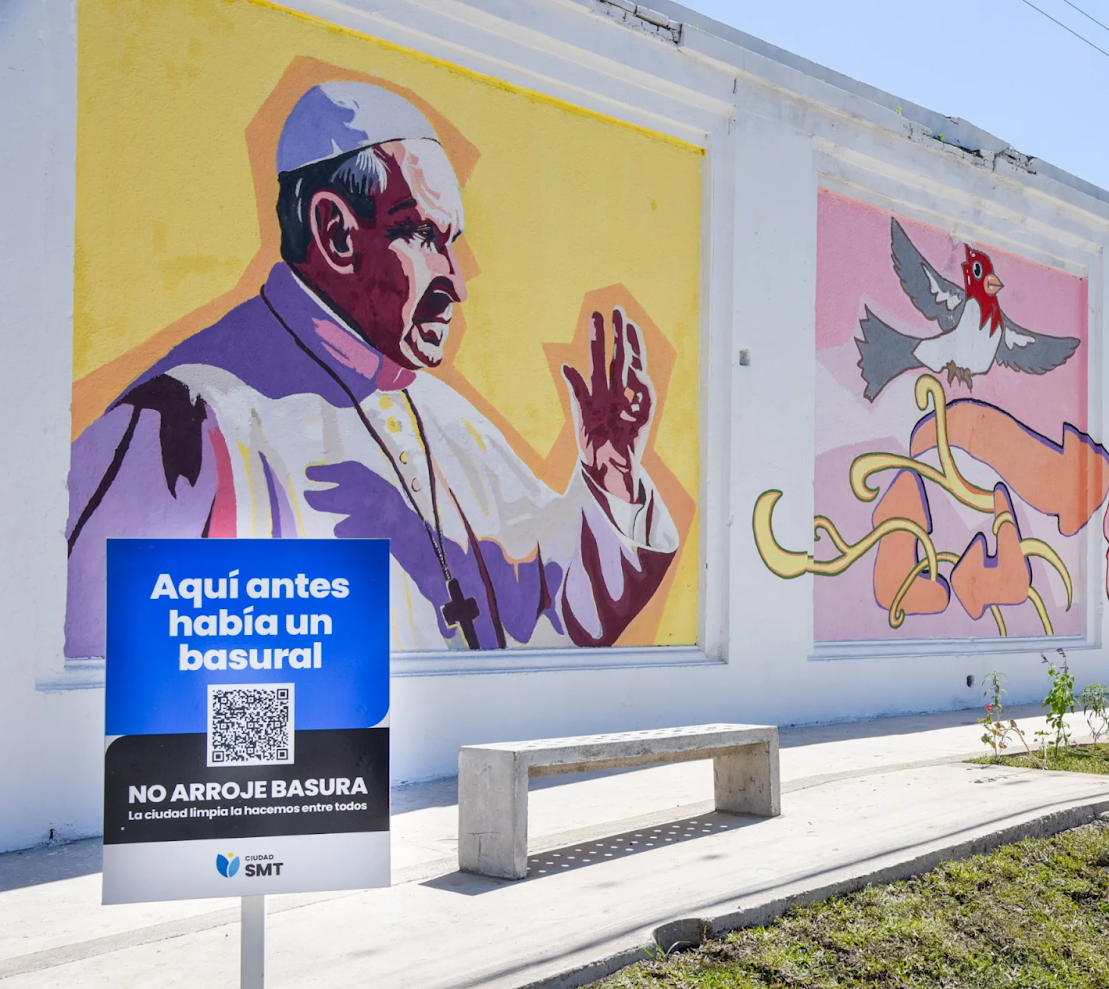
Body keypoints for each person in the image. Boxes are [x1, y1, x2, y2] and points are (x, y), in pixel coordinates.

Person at [65, 81, 678, 655]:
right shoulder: (188, 421)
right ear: (335, 231)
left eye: (452, 242)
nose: (456, 283)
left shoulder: (447, 420)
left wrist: (612, 478)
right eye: (424, 237)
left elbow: (551, 611)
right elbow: (118, 682)